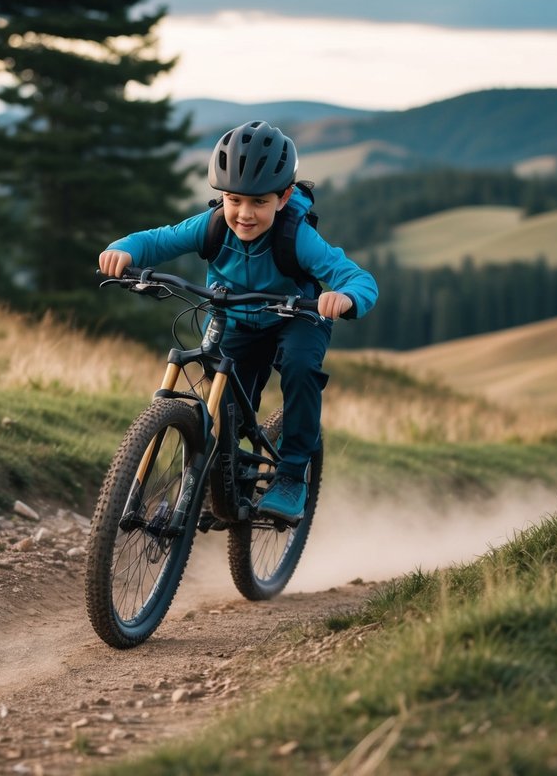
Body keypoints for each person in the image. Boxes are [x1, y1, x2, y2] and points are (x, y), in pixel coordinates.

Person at [98, 120, 378, 523]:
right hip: (236, 320)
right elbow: (159, 240)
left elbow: (358, 279)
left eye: (259, 203)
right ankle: (210, 479)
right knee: (223, 407)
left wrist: (344, 296)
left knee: (300, 369)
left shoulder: (296, 237)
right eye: (234, 200)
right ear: (222, 196)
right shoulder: (212, 226)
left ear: (283, 198)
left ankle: (293, 475)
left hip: (295, 316)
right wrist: (123, 249)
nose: (244, 214)